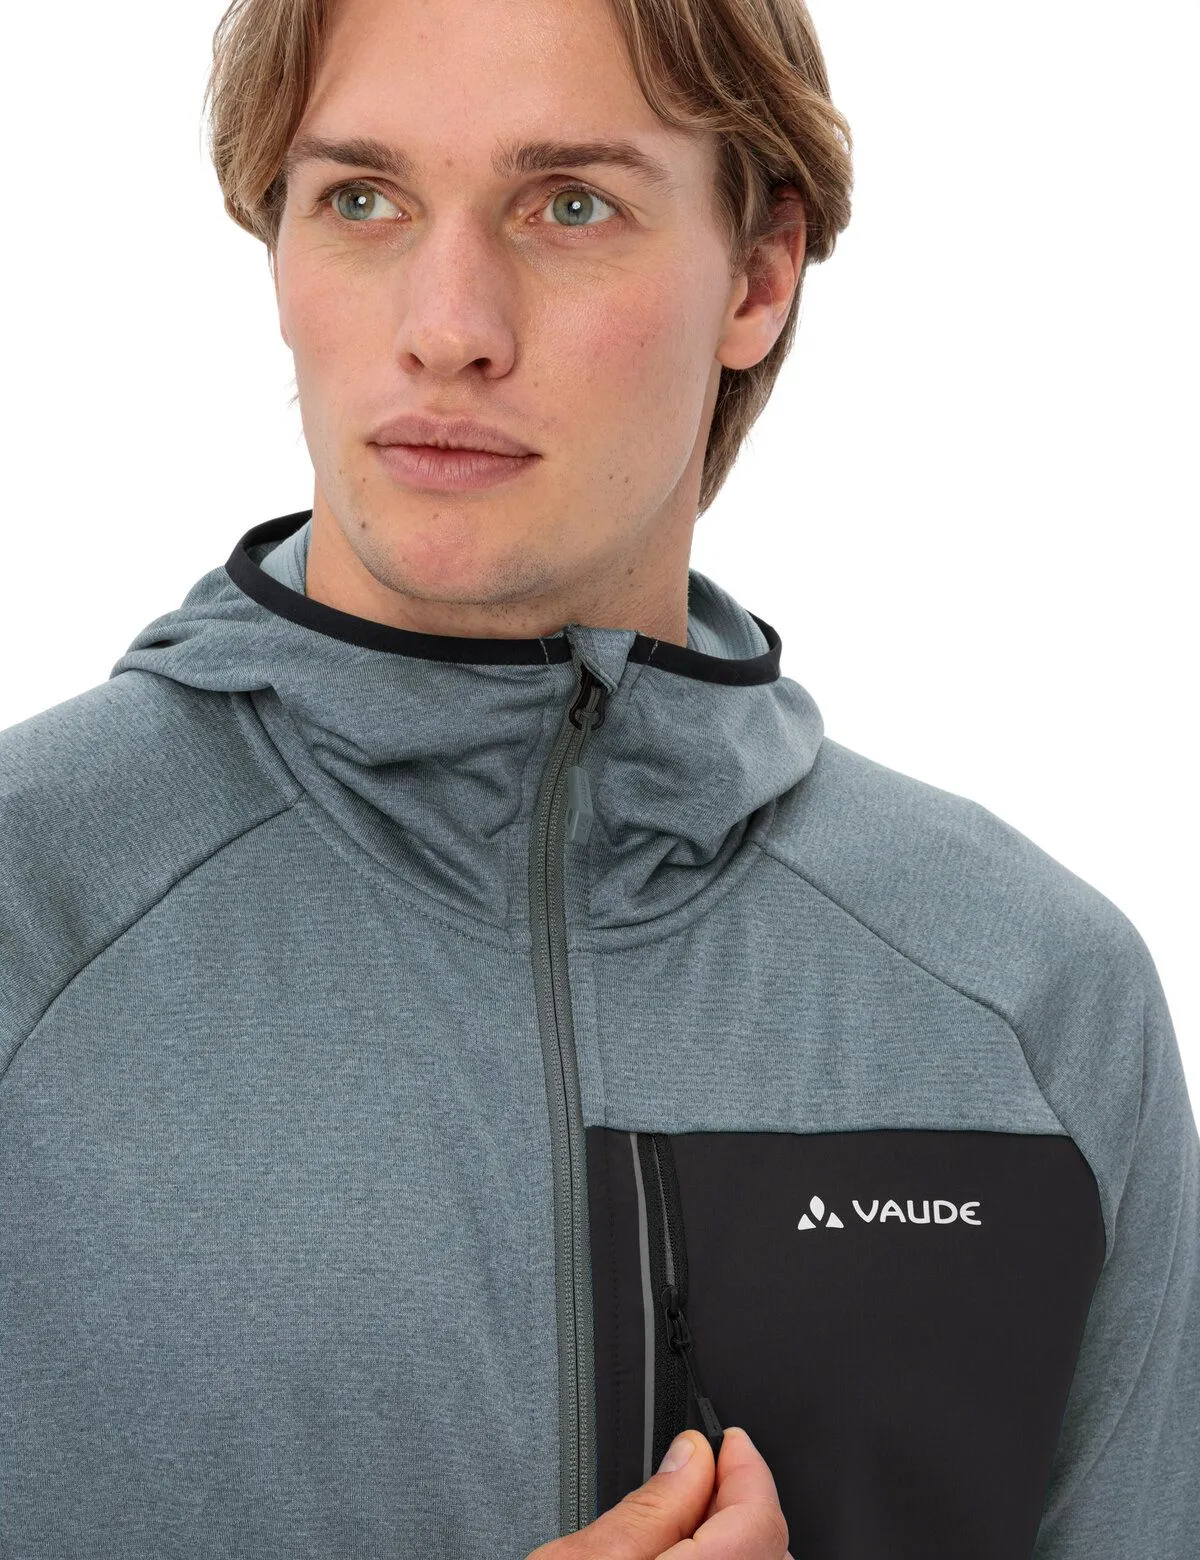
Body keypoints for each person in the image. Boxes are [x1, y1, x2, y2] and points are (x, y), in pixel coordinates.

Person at [1, 0, 1196, 1555]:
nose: (449, 325)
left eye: (569, 204)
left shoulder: (1030, 997)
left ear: (759, 275)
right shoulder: (31, 916)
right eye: (361, 198)